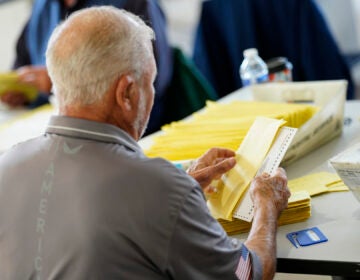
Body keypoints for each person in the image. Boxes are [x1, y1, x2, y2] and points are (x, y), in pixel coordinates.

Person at [0, 7, 290, 279]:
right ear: (127, 93)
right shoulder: (158, 189)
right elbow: (245, 273)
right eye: (149, 82)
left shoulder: (7, 165)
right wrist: (267, 205)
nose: (150, 92)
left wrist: (179, 196)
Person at [0, 0, 172, 134]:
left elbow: (152, 81)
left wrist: (59, 83)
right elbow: (22, 63)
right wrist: (22, 91)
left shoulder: (134, 3)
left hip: (122, 135)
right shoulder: (42, 7)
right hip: (48, 129)